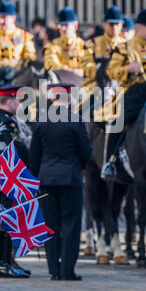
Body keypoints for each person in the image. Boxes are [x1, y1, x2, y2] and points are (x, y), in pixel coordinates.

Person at [29, 83, 92, 280]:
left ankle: (54, 270)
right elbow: (86, 152)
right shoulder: (75, 120)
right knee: (70, 225)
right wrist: (77, 166)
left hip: (46, 177)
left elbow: (34, 155)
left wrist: (37, 177)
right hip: (70, 177)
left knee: (50, 225)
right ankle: (67, 270)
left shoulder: (41, 121)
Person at [102, 8, 146, 178]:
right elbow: (111, 71)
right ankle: (110, 161)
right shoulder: (123, 48)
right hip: (134, 91)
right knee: (120, 118)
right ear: (138, 27)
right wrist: (128, 69)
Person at [0, 85, 31, 278]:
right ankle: (3, 263)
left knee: (13, 220)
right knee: (5, 221)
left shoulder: (10, 121)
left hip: (14, 177)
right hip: (6, 178)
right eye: (18, 101)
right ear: (10, 101)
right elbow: (2, 150)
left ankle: (10, 260)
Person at [0, 1, 36, 76]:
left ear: (13, 18)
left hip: (17, 76)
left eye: (5, 18)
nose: (1, 21)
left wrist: (28, 62)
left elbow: (30, 56)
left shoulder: (24, 36)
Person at [80, 6, 125, 89]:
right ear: (104, 24)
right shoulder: (92, 44)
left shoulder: (126, 45)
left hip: (120, 88)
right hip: (95, 87)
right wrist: (100, 70)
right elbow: (85, 66)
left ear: (121, 25)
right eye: (111, 24)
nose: (114, 27)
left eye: (117, 24)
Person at [43, 7, 85, 72]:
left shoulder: (84, 46)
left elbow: (90, 67)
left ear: (75, 26)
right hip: (59, 81)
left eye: (66, 25)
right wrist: (73, 72)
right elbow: (52, 66)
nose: (63, 29)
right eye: (61, 25)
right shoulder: (51, 46)